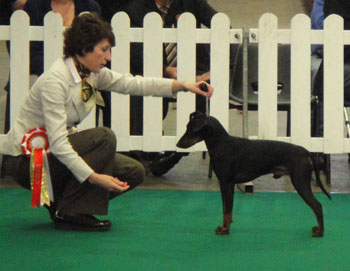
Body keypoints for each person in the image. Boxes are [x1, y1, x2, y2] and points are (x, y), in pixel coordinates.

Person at [0, 12, 213, 231]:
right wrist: (95, 178)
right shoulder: (56, 81)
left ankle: (66, 208)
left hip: (53, 157)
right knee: (103, 137)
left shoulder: (90, 72)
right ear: (84, 49)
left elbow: (134, 84)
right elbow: (59, 144)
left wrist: (184, 85)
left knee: (134, 172)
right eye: (104, 50)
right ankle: (70, 210)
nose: (108, 57)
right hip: (28, 163)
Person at [123, 0, 231, 176]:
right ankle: (144, 154)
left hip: (195, 72)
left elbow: (223, 27)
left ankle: (175, 155)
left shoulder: (192, 3)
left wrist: (210, 72)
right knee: (140, 99)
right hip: (153, 73)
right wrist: (165, 70)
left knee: (199, 101)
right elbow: (133, 52)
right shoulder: (135, 8)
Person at [312, 0, 350, 137]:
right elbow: (321, 26)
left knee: (324, 81)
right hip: (333, 57)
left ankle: (322, 144)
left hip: (336, 60)